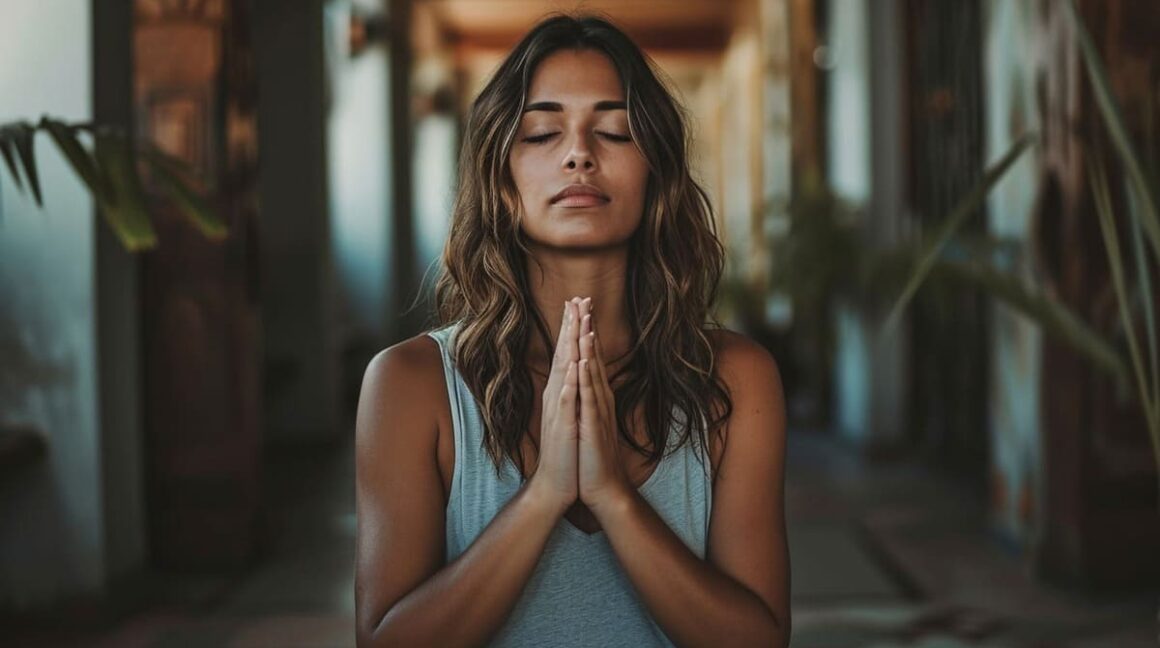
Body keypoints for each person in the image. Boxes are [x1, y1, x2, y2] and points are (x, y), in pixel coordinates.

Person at [355, 14, 789, 647]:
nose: (579, 152)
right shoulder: (410, 385)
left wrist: (614, 497)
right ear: (500, 178)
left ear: (656, 172)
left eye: (613, 130)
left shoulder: (736, 378)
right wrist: (545, 495)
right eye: (541, 132)